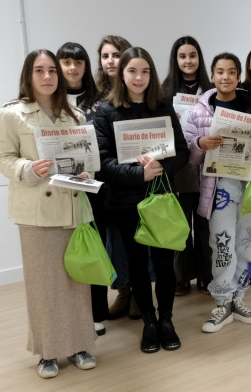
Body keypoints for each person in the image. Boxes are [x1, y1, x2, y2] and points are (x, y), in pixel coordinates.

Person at [0, 49, 96, 378]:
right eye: (40, 70)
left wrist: (86, 174)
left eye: (52, 70)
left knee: (76, 280)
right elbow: (3, 158)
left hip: (71, 206)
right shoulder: (13, 114)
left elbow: (87, 161)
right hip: (36, 210)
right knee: (43, 285)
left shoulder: (76, 116)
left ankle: (81, 344)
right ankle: (48, 351)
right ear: (29, 75)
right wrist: (28, 168)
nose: (48, 76)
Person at [94, 47, 189, 353]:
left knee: (163, 265)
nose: (139, 78)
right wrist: (139, 175)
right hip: (125, 202)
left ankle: (167, 320)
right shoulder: (106, 111)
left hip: (160, 198)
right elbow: (103, 163)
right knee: (136, 266)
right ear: (122, 74)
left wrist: (163, 167)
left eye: (145, 71)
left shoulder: (161, 106)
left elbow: (183, 151)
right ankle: (148, 321)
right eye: (132, 71)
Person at [184, 52, 251, 332]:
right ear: (212, 75)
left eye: (231, 72)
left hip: (249, 185)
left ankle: (239, 298)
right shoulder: (200, 109)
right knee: (221, 243)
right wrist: (200, 143)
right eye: (220, 72)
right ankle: (222, 301)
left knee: (245, 244)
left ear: (238, 75)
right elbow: (190, 153)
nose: (226, 77)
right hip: (218, 188)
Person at [56, 42, 108, 336]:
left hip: (94, 185)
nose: (72, 68)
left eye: (78, 62)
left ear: (86, 67)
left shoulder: (98, 100)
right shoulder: (51, 99)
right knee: (62, 251)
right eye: (66, 62)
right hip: (60, 187)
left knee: (93, 248)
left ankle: (95, 313)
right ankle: (67, 313)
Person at [162, 36, 213, 297]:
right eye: (183, 56)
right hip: (179, 165)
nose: (188, 60)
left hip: (207, 165)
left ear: (199, 58)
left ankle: (207, 275)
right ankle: (181, 277)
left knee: (204, 224)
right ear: (176, 60)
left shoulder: (211, 89)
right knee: (181, 224)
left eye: (192, 55)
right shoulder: (164, 90)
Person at [93, 35, 136, 320]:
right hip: (100, 179)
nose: (110, 60)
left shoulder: (135, 90)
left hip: (132, 177)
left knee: (134, 238)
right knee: (112, 242)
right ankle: (123, 291)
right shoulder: (92, 93)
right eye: (105, 55)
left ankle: (138, 292)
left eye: (116, 54)